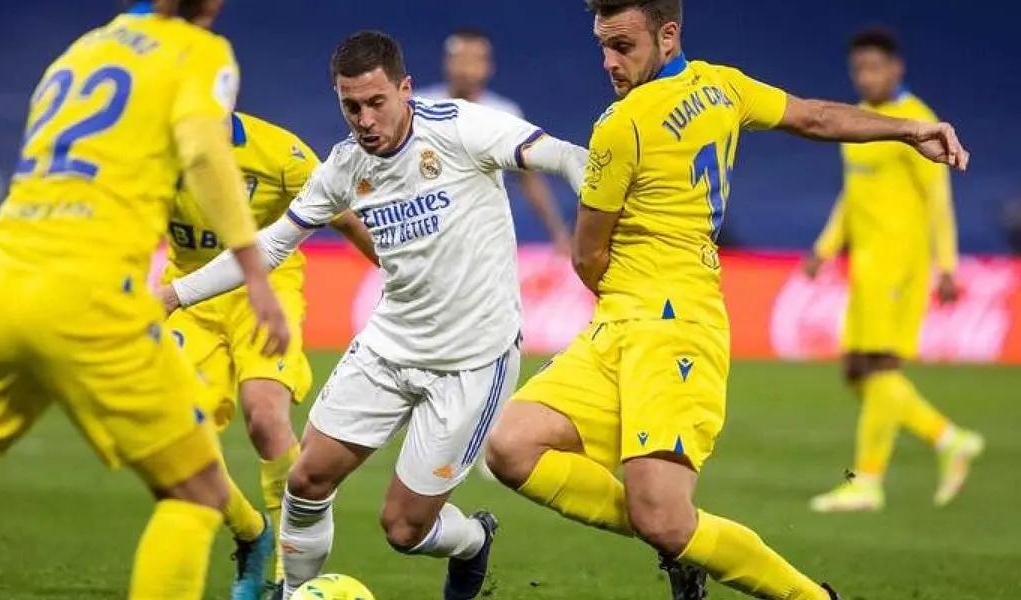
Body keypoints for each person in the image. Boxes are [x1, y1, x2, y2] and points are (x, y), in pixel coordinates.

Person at [484, 2, 970, 600]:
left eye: (624, 46)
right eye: (603, 45)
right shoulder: (723, 87)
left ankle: (810, 597)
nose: (610, 61)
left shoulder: (621, 125)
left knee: (663, 515)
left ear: (668, 34)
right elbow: (815, 117)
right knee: (510, 446)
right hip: (620, 326)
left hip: (673, 326)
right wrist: (907, 129)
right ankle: (681, 543)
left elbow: (587, 255)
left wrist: (644, 293)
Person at [0, 2, 291, 599]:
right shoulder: (197, 51)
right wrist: (254, 271)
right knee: (195, 493)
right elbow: (206, 152)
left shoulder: (82, 50)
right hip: (90, 293)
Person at [160, 30, 587, 600]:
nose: (363, 119)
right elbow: (269, 246)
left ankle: (472, 541)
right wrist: (174, 296)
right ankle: (295, 593)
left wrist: (595, 201)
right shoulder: (342, 169)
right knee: (306, 479)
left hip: (471, 362)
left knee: (404, 529)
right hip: (390, 346)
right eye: (350, 106)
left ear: (404, 89)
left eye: (376, 102)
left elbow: (560, 155)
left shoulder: (460, 127)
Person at [161, 109, 376, 590]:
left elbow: (344, 217)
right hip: (188, 294)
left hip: (265, 288)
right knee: (175, 438)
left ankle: (286, 565)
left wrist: (397, 270)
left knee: (264, 415)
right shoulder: (151, 151)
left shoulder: (279, 152)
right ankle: (250, 533)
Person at [804, 29, 983, 513]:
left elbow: (938, 200)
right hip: (865, 266)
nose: (866, 75)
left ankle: (868, 481)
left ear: (896, 68)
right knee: (857, 371)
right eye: (858, 67)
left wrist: (946, 264)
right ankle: (949, 438)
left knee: (880, 367)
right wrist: (825, 246)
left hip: (900, 266)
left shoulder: (918, 122)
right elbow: (852, 195)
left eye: (874, 67)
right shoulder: (860, 123)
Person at [416, 29, 573, 254]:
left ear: (488, 66)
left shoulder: (504, 114)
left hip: (484, 239)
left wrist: (557, 232)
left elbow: (529, 180)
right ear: (446, 62)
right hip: (426, 237)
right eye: (459, 59)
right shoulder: (419, 110)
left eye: (473, 60)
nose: (465, 68)